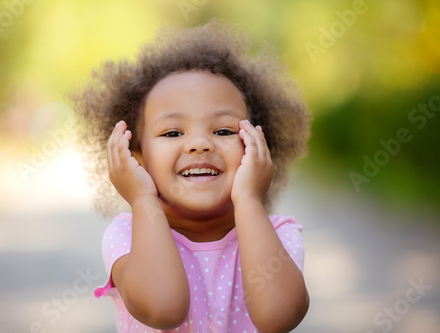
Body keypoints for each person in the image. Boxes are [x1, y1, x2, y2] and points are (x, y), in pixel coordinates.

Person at [72, 20, 310, 333]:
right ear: (136, 159)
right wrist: (142, 199)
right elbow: (164, 309)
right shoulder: (128, 237)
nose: (199, 144)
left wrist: (250, 200)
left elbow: (278, 317)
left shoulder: (278, 233)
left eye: (223, 130)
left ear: (257, 148)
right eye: (172, 132)